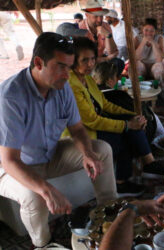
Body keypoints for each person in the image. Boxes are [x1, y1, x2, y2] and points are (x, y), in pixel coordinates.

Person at [0, 32, 117, 248]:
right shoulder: (11, 97)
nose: (67, 74)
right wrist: (46, 189)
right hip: (13, 167)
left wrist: (87, 154)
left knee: (102, 149)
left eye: (70, 67)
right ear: (38, 63)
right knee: (34, 195)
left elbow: (78, 130)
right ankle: (44, 244)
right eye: (61, 66)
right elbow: (9, 160)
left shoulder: (62, 88)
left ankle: (109, 215)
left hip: (50, 154)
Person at [63, 37, 164, 196]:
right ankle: (137, 172)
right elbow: (92, 120)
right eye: (84, 60)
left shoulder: (87, 80)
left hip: (93, 127)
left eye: (92, 59)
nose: (90, 64)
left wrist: (131, 115)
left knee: (133, 124)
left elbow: (105, 104)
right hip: (83, 134)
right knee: (125, 133)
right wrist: (127, 125)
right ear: (73, 60)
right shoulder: (72, 85)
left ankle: (141, 170)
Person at [92, 61, 164, 140]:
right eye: (116, 77)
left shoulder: (92, 95)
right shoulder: (117, 96)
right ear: (109, 81)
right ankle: (163, 137)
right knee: (151, 114)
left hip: (110, 134)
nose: (117, 80)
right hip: (133, 132)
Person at [135, 18, 164, 85]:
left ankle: (160, 89)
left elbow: (159, 59)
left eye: (151, 31)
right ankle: (139, 88)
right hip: (142, 66)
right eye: (146, 30)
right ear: (142, 30)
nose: (148, 33)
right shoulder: (137, 38)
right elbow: (135, 57)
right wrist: (143, 42)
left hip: (155, 64)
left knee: (159, 67)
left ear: (155, 31)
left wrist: (153, 43)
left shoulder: (160, 38)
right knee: (136, 65)